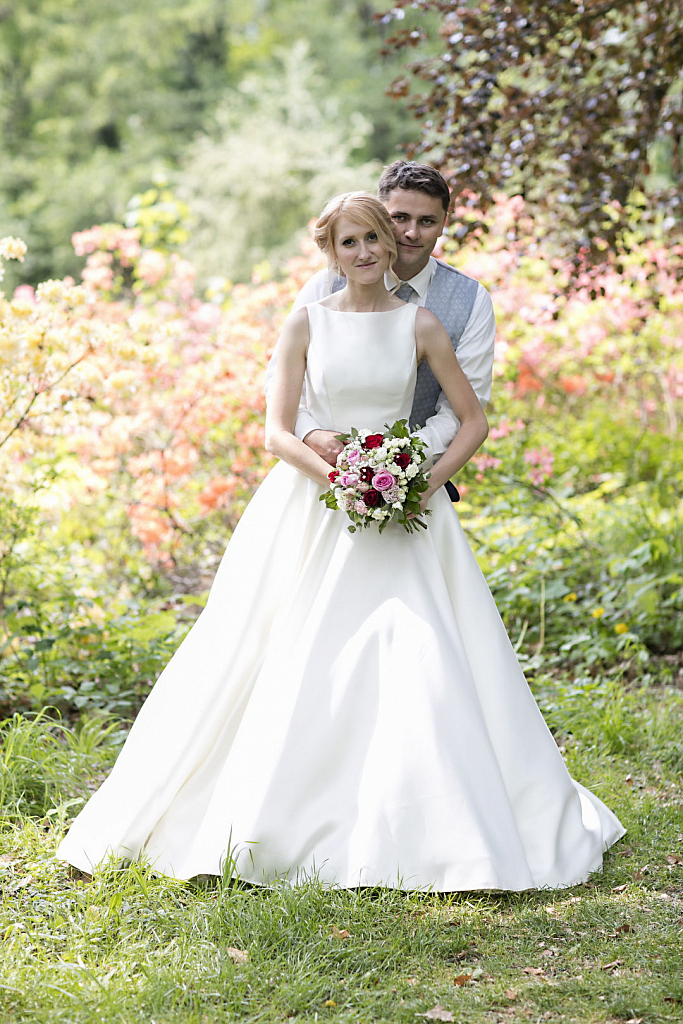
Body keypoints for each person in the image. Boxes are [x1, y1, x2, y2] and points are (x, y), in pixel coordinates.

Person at [57, 192, 625, 891]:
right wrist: (344, 478)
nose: (364, 252)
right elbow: (277, 432)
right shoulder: (305, 323)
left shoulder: (421, 324)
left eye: (374, 238)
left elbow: (472, 421)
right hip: (314, 505)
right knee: (277, 648)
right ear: (329, 251)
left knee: (417, 649)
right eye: (348, 242)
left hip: (405, 513)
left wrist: (418, 483)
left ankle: (437, 829)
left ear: (391, 244)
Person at [268, 161, 496, 501]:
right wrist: (313, 436)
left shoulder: (468, 301)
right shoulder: (321, 292)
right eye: (400, 218)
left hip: (409, 484)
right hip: (320, 476)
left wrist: (395, 465)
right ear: (380, 217)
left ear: (443, 224)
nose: (411, 233)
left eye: (427, 221)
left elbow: (464, 410)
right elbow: (281, 388)